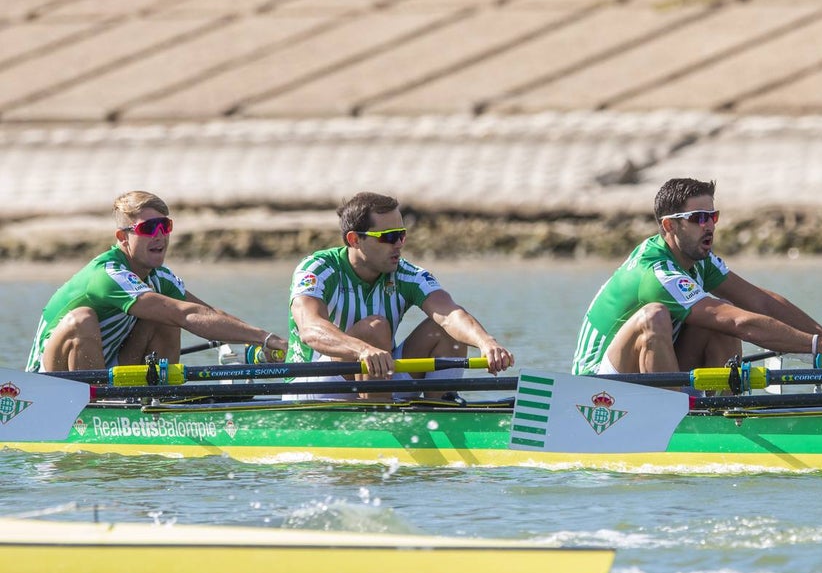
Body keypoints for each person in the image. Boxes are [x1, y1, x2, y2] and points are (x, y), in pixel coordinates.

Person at [572, 177, 822, 376]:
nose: (709, 225)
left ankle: (722, 415)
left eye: (713, 216)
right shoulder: (656, 271)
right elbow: (737, 320)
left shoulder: (699, 260)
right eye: (698, 218)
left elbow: (760, 302)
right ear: (670, 226)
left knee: (717, 322)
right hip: (597, 385)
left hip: (649, 375)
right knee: (658, 316)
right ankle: (679, 424)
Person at [27, 190, 287, 372]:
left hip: (105, 368)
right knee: (82, 318)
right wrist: (265, 338)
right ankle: (96, 409)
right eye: (148, 229)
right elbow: (183, 315)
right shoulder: (108, 275)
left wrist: (261, 342)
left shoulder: (160, 277)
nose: (160, 236)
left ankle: (161, 403)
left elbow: (207, 314)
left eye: (165, 226)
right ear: (123, 237)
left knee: (166, 313)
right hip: (52, 382)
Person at [286, 191, 514, 398]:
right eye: (388, 237)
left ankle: (441, 414)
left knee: (443, 330)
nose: (398, 245)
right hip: (315, 385)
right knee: (375, 328)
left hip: (380, 375)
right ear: (354, 239)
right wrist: (362, 349)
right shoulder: (319, 268)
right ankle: (381, 422)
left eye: (401, 235)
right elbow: (310, 330)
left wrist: (485, 342)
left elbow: (450, 314)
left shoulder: (406, 274)